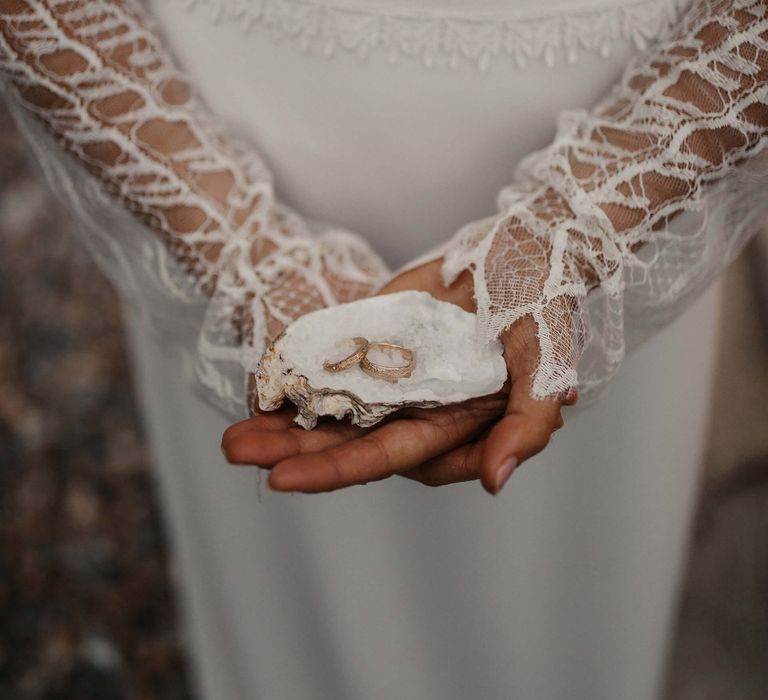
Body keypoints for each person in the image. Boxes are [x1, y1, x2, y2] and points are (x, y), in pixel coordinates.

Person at [1, 1, 766, 698]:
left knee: (561, 572)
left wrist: (581, 218)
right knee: (293, 573)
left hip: (625, 123)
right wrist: (238, 242)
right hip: (216, 124)